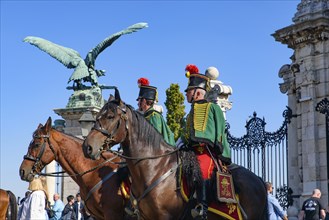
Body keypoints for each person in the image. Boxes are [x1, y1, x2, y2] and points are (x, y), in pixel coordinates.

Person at [180, 64, 231, 219]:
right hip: (189, 150)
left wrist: (218, 146)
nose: (186, 95)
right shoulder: (190, 113)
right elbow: (185, 134)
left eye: (188, 92)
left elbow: (220, 128)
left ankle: (202, 207)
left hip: (206, 151)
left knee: (202, 171)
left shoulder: (213, 107)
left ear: (197, 92)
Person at [136, 77, 175, 146]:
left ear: (144, 101)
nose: (138, 103)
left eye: (139, 100)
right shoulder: (146, 115)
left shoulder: (154, 116)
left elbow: (155, 140)